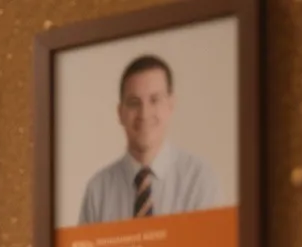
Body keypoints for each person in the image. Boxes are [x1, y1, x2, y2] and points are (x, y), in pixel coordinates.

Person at [77, 54, 222, 225]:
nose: (144, 114)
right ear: (120, 113)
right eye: (134, 102)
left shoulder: (199, 180)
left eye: (155, 100)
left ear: (170, 105)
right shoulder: (97, 190)